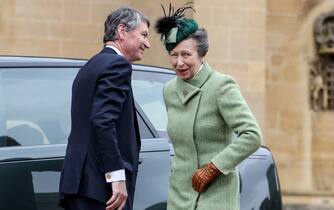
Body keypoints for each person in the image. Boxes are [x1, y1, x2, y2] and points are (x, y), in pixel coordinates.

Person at [155, 4, 262, 210]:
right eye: (174, 55)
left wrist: (214, 168)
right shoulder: (169, 90)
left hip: (216, 195)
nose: (179, 62)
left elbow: (252, 135)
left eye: (186, 55)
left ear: (201, 54)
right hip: (179, 196)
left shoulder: (221, 86)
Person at [59, 7, 150, 210]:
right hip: (102, 188)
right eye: (143, 35)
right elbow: (102, 120)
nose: (148, 44)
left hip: (79, 184)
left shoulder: (90, 66)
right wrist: (116, 177)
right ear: (122, 31)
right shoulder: (118, 65)